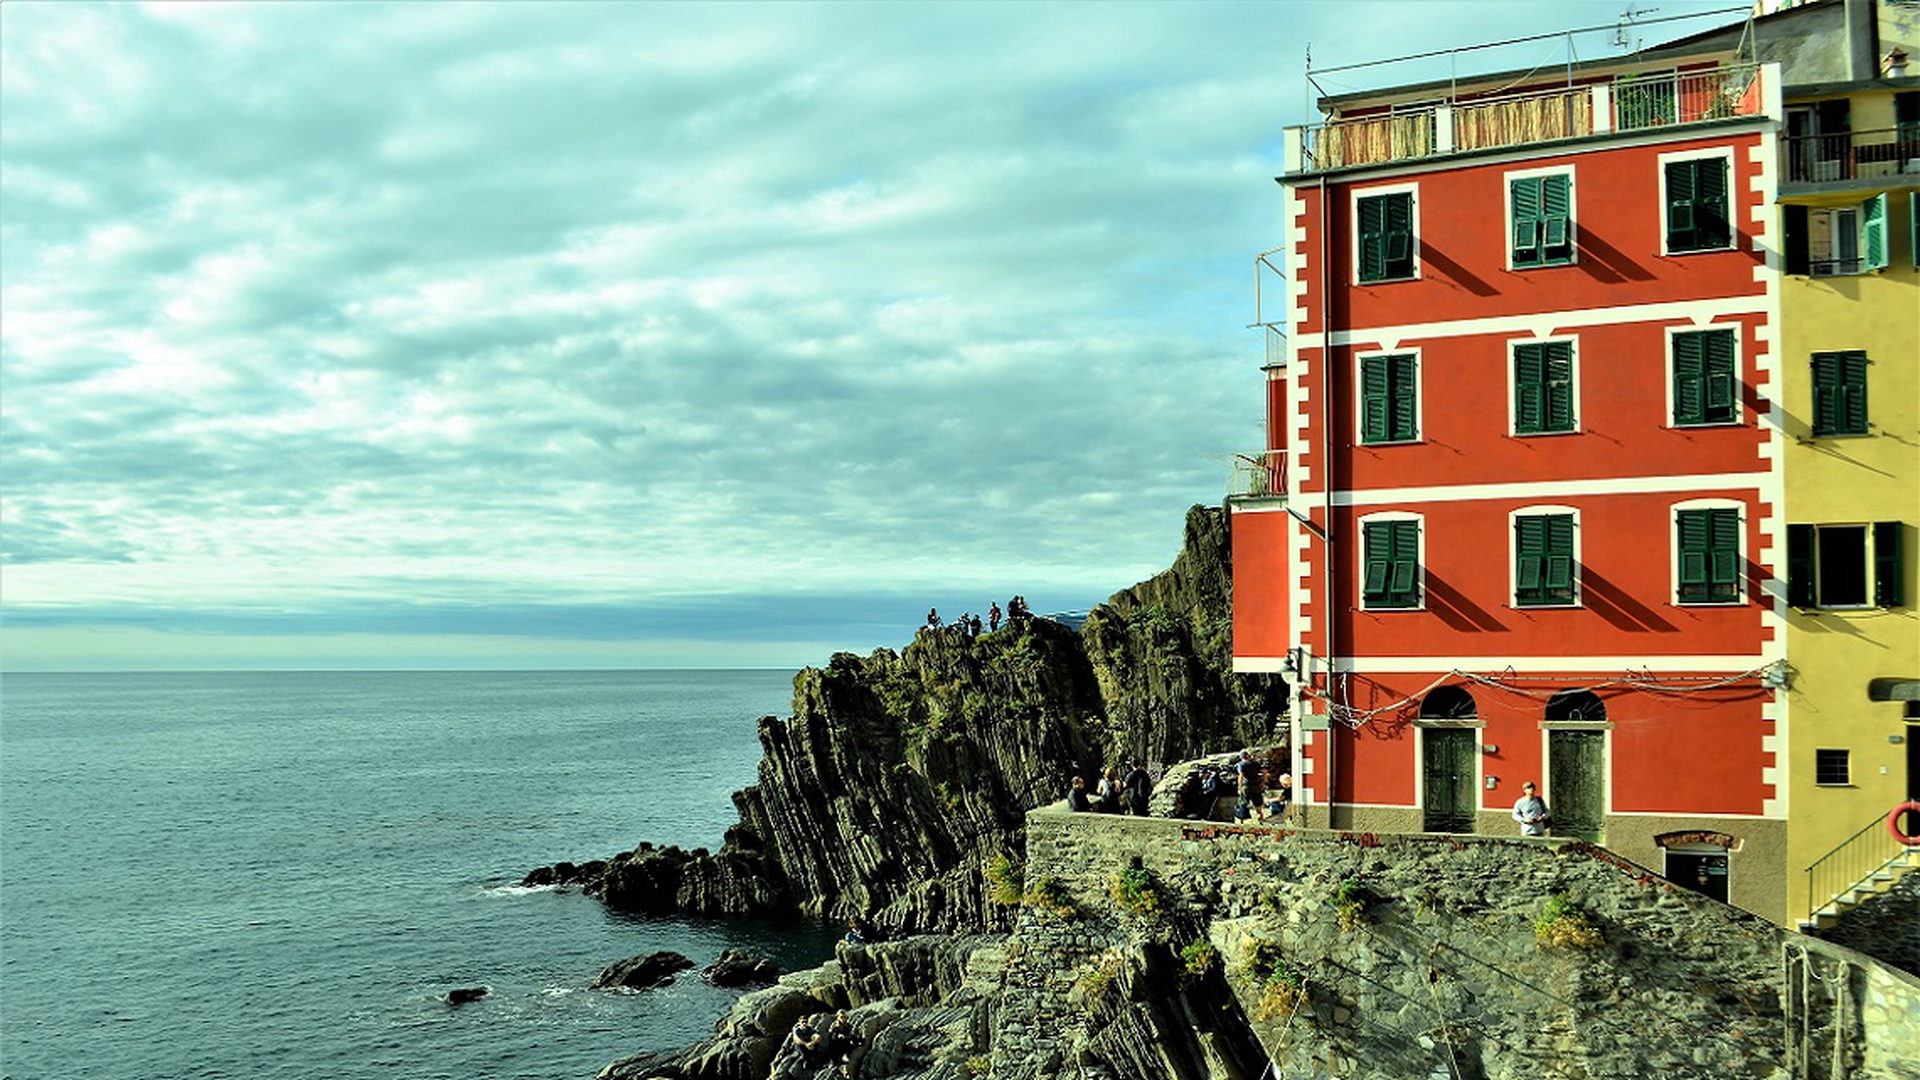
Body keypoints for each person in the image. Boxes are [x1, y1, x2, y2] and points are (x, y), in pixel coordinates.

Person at [826, 1010, 859, 1077]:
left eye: (844, 1017)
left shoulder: (848, 1026)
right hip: (835, 1047)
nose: (843, 1019)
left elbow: (850, 1034)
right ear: (838, 1018)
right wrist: (840, 1036)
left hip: (845, 1044)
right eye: (841, 1017)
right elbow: (833, 1037)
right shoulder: (835, 1026)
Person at [1235, 750, 1265, 822]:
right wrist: (1263, 782)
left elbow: (1241, 776)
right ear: (1248, 756)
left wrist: (1239, 787)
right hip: (1257, 785)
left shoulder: (1241, 764)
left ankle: (1241, 821)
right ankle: (1260, 817)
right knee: (1257, 803)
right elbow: (1264, 772)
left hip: (1247, 786)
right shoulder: (1256, 763)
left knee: (1243, 803)